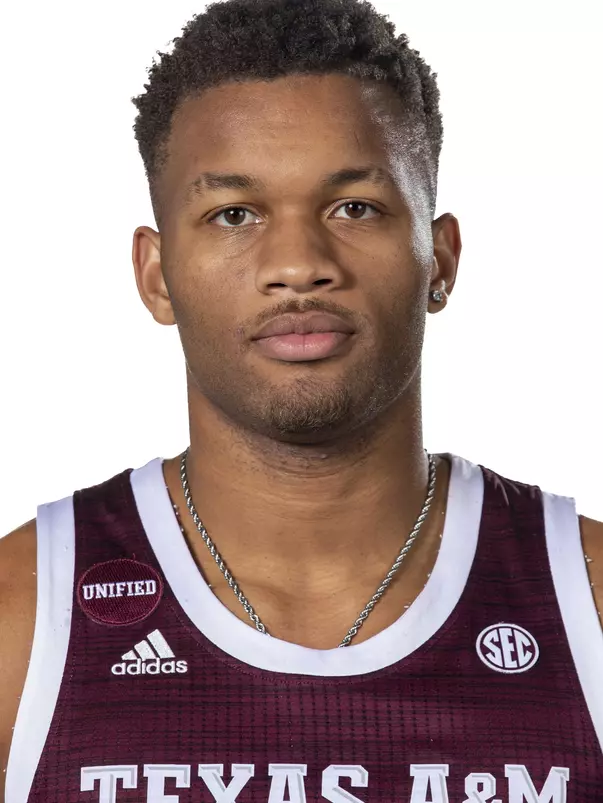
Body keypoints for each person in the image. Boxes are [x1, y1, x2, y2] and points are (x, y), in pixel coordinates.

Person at [1, 0, 602, 799]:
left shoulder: (585, 600)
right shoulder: (22, 619)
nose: (297, 263)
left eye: (353, 207)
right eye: (234, 214)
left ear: (440, 259)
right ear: (156, 275)